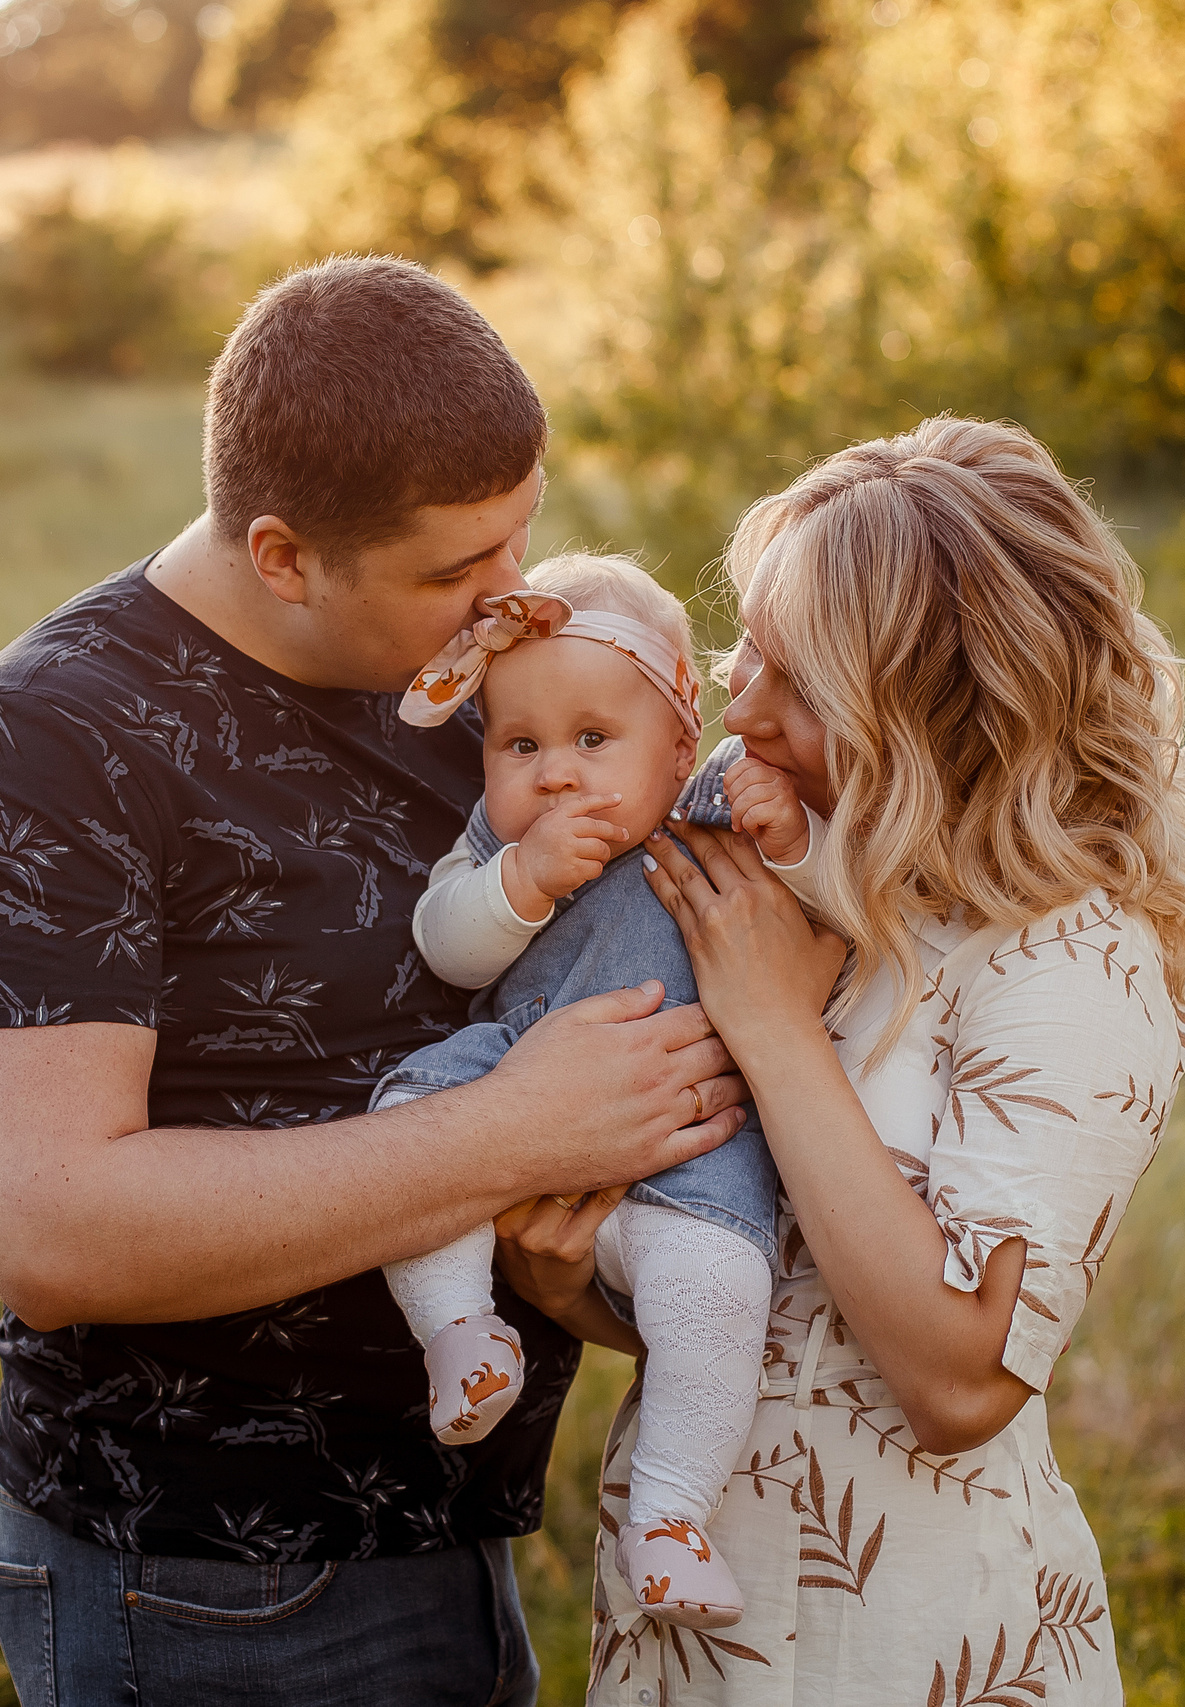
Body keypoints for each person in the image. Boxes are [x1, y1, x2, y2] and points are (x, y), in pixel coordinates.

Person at [0, 255, 749, 1707]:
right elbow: (53, 1227)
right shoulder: (55, 738)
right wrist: (515, 1133)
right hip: (203, 1582)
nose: (513, 606)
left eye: (521, 542)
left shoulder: (481, 683)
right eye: (455, 572)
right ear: (286, 554)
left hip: (454, 1532)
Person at [494, 416, 1185, 1703]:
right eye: (749, 646)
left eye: (797, 683)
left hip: (908, 1649)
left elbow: (960, 1379)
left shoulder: (1071, 961)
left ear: (935, 710)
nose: (738, 705)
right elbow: (764, 1302)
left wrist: (772, 1027)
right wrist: (566, 1278)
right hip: (693, 1637)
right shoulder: (805, 871)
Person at [372, 553, 815, 1631]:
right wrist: (517, 885)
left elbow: (830, 905)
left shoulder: (713, 802)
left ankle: (669, 1518)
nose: (556, 775)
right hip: (521, 1074)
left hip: (688, 1148)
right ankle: (460, 1331)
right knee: (408, 1133)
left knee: (721, 1294)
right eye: (520, 745)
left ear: (678, 740)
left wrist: (791, 832)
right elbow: (446, 949)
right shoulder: (500, 841)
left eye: (591, 740)